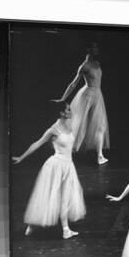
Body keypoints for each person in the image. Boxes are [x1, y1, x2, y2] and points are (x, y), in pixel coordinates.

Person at [12, 102, 85, 239]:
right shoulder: (53, 130)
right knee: (48, 196)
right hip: (55, 166)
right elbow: (37, 143)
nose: (71, 111)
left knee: (65, 198)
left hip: (68, 166)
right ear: (61, 113)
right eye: (68, 110)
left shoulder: (69, 126)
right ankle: (33, 225)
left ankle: (65, 230)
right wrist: (22, 157)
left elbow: (69, 145)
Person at [52, 42, 110, 165]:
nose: (97, 49)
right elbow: (73, 83)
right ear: (88, 49)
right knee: (77, 124)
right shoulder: (84, 66)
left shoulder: (97, 63)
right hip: (87, 95)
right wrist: (63, 98)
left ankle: (100, 156)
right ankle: (63, 150)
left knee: (101, 126)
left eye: (97, 47)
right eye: (94, 47)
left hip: (98, 95)